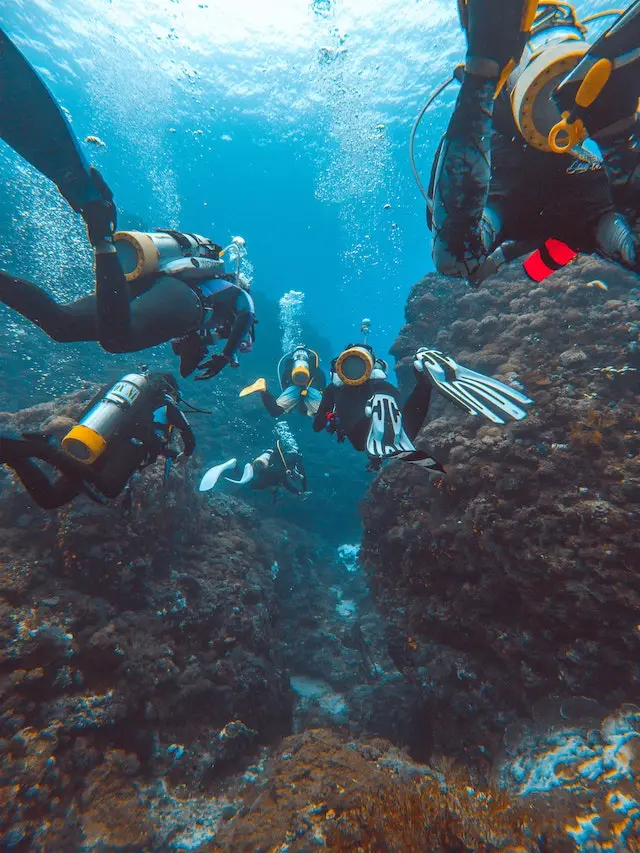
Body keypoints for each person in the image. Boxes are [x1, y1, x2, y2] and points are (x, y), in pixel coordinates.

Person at [0, 28, 254, 379]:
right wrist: (227, 355)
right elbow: (245, 311)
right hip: (187, 299)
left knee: (62, 324)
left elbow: (185, 365)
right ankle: (102, 238)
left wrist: (205, 349)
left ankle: (94, 234)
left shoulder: (199, 292)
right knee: (118, 338)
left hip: (155, 285)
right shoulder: (233, 292)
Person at [427, 1, 640, 286]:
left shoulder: (496, 138)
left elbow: (455, 253)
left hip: (519, 188)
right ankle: (615, 131)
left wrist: (481, 78)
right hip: (571, 188)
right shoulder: (572, 216)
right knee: (456, 258)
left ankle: (484, 72)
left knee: (456, 258)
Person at [313, 343, 532, 468]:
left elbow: (317, 426)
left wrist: (329, 416)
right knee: (402, 427)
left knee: (364, 443)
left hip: (361, 433)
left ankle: (375, 415)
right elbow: (403, 414)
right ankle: (423, 377)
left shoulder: (333, 389)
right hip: (386, 411)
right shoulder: (381, 385)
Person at [0, 371, 195, 511]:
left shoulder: (122, 392)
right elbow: (189, 438)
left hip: (96, 442)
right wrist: (186, 454)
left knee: (51, 499)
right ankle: (43, 449)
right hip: (123, 451)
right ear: (171, 391)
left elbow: (88, 413)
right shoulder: (168, 404)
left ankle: (14, 455)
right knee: (108, 490)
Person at [239, 345, 326, 417]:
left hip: (294, 389)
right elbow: (322, 381)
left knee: (275, 411)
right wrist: (321, 392)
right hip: (311, 391)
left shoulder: (290, 365)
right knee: (322, 415)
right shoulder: (314, 366)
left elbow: (284, 381)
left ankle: (263, 390)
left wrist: (286, 393)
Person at [198, 441, 307, 496]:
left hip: (261, 467)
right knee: (248, 483)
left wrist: (298, 492)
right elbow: (286, 483)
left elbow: (285, 483)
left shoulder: (283, 471)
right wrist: (298, 492)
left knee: (248, 480)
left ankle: (236, 465)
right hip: (264, 469)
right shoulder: (284, 472)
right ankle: (236, 466)